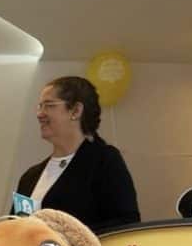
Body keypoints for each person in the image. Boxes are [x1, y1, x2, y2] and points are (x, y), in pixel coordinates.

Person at [14, 75, 140, 233]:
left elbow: (125, 223)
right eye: (40, 106)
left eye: (49, 105)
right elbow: (13, 227)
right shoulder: (29, 177)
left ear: (76, 110)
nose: (40, 114)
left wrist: (64, 235)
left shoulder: (103, 161)